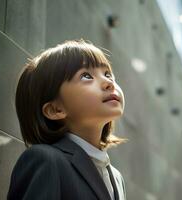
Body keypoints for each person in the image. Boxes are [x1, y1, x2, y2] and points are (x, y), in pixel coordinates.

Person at [7, 39, 127, 200]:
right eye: (86, 76)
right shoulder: (45, 160)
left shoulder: (117, 178)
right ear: (56, 109)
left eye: (107, 73)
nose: (109, 82)